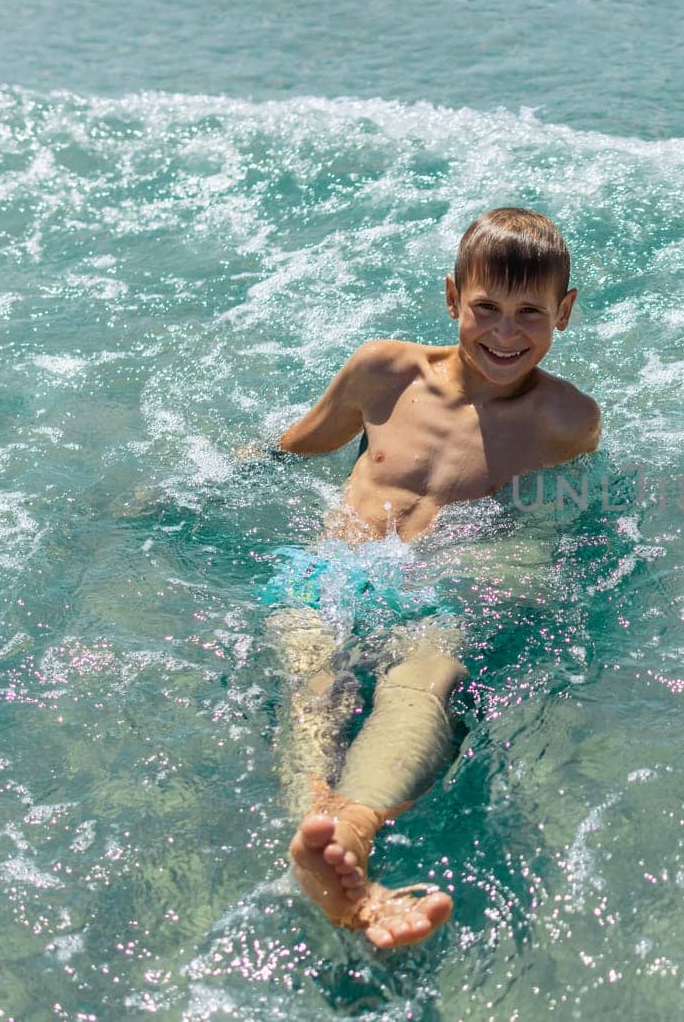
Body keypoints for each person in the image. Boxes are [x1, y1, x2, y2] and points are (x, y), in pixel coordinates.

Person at [265, 207, 600, 949]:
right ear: (453, 298)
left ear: (564, 313)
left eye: (530, 314)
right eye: (485, 308)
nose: (505, 334)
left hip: (435, 593)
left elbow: (545, 531)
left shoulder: (566, 419)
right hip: (331, 572)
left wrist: (508, 584)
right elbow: (293, 446)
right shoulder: (382, 372)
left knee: (431, 675)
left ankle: (348, 833)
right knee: (313, 681)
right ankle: (328, 846)